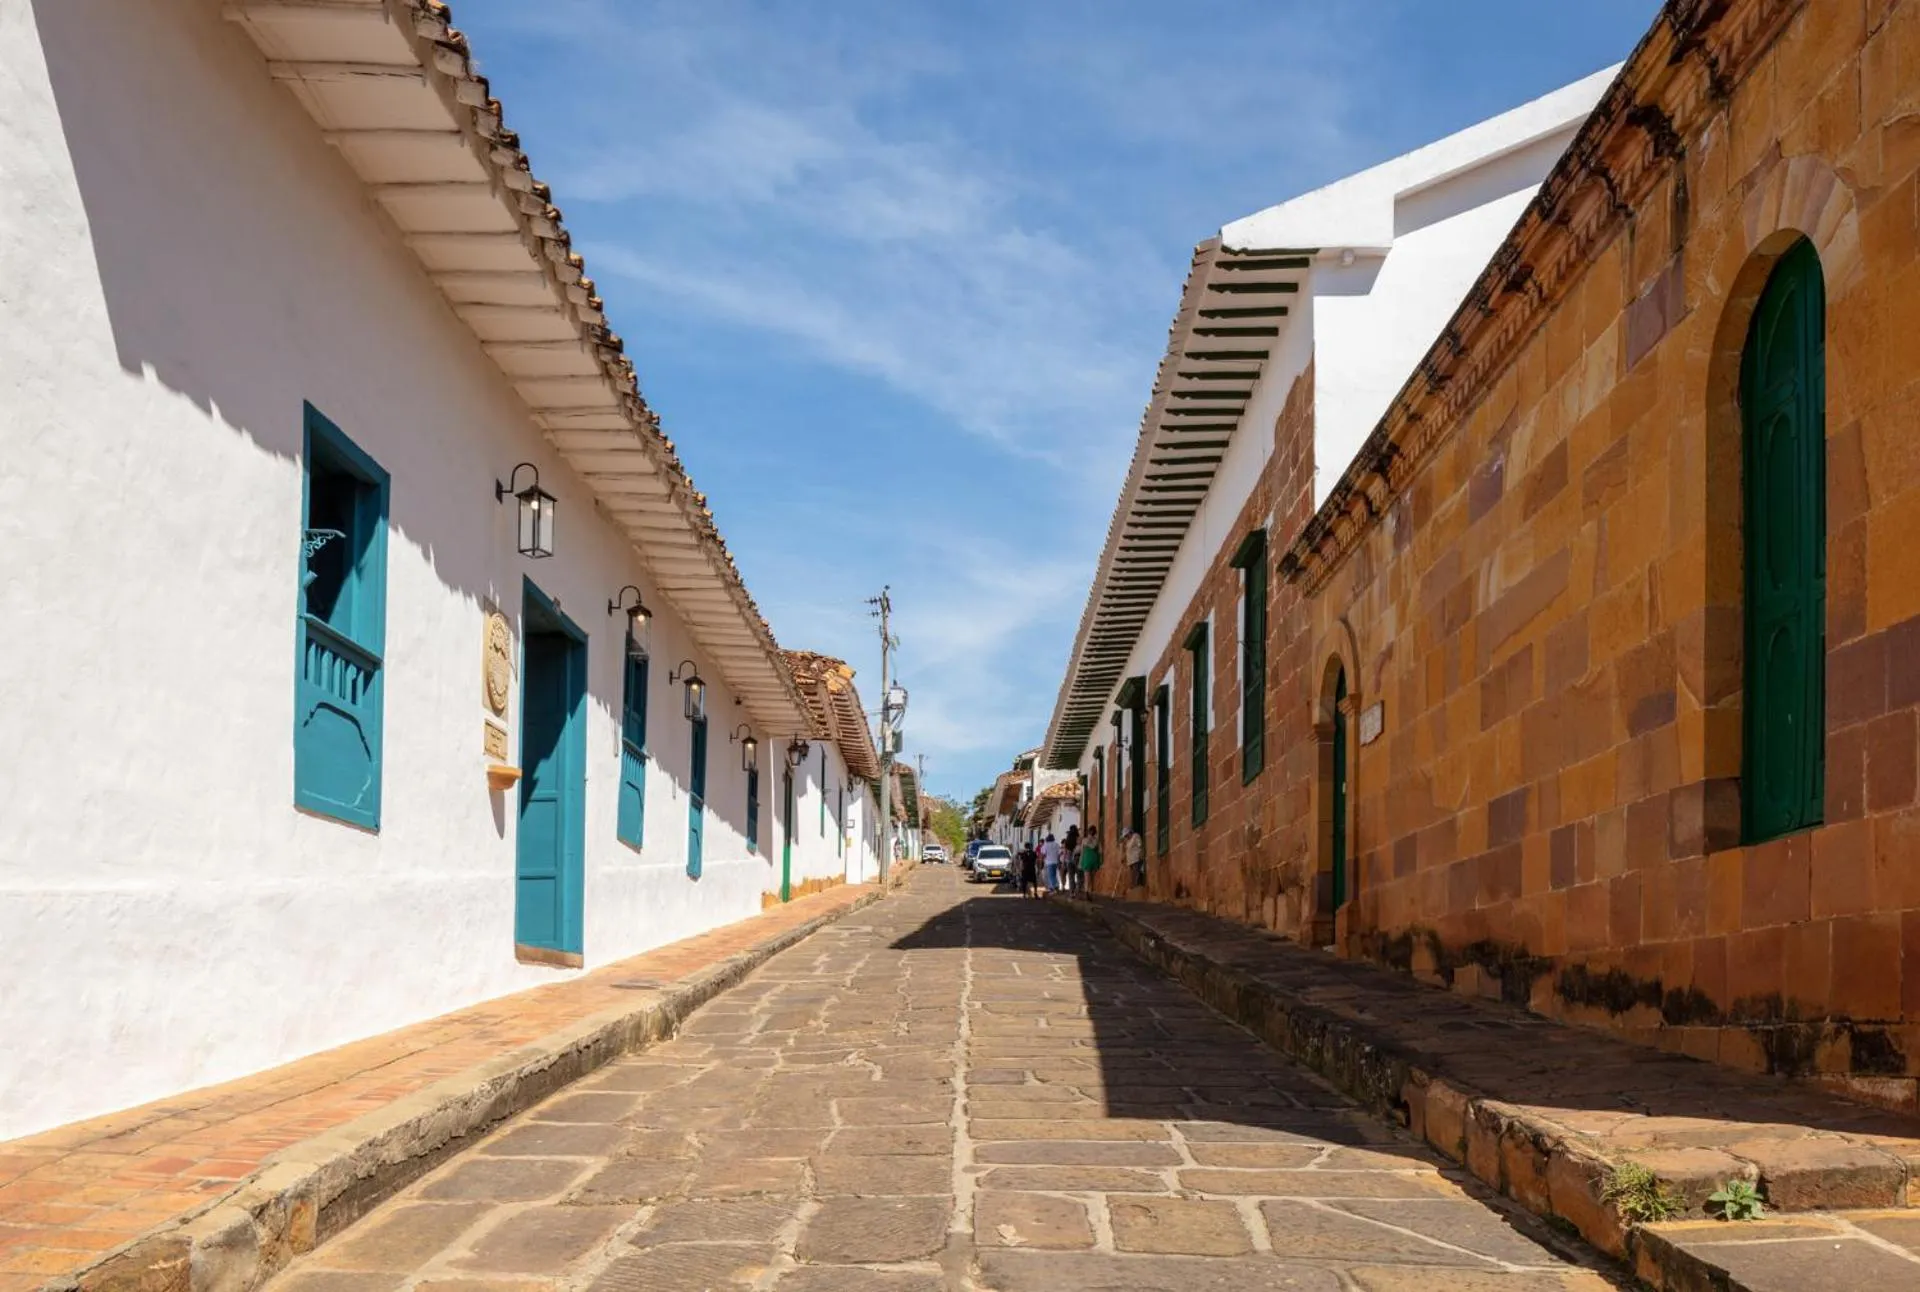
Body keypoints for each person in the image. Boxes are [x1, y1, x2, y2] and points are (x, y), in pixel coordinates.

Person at [1077, 826, 1101, 897]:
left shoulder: (1084, 840)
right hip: (1094, 860)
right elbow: (1100, 851)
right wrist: (1099, 861)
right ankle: (1090, 891)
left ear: (1088, 832)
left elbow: (1082, 852)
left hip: (1086, 860)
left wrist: (1080, 862)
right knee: (1092, 877)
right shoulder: (1097, 840)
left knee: (1086, 877)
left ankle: (1087, 891)